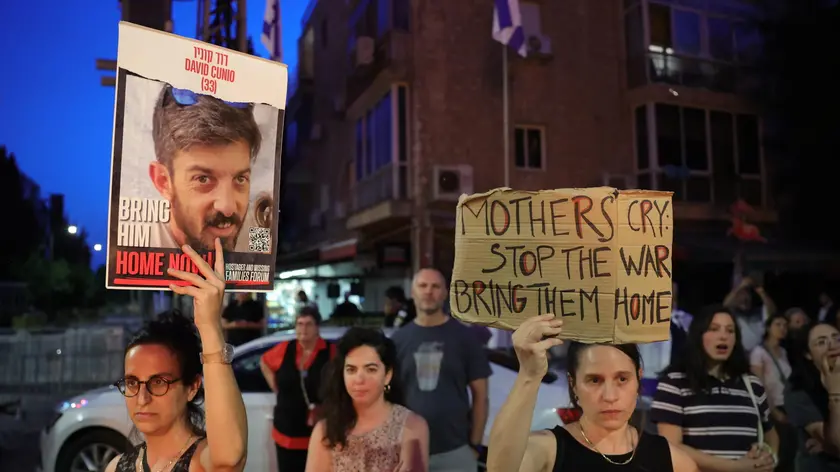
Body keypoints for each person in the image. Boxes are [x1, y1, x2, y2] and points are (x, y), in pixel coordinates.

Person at [487, 314, 697, 471]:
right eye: (594, 380)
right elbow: (501, 469)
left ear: (638, 379)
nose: (610, 396)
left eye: (622, 379)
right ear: (574, 385)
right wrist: (529, 375)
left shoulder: (673, 460)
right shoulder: (548, 450)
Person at [106, 239, 247, 472]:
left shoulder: (202, 462)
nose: (142, 399)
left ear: (192, 387)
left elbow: (229, 459)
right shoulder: (117, 466)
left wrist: (209, 325)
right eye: (132, 383)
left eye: (158, 382)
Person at [651, 304, 779, 471]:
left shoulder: (751, 384)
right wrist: (734, 467)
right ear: (698, 335)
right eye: (714, 329)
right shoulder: (675, 383)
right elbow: (671, 446)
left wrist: (768, 456)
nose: (723, 336)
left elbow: (770, 433)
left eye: (730, 331)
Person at [391, 268, 491, 471]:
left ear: (445, 293)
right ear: (412, 292)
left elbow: (481, 396)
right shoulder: (398, 340)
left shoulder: (465, 338)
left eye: (435, 286)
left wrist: (474, 445)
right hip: (407, 450)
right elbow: (388, 396)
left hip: (455, 451)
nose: (429, 291)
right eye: (423, 286)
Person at [149, 83, 262, 251]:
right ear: (163, 182)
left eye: (240, 179)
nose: (228, 207)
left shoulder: (258, 233)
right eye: (203, 179)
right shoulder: (138, 249)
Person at [305, 327, 429, 471]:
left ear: (387, 375)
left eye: (370, 369)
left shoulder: (411, 426)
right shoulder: (326, 431)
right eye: (351, 370)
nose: (359, 379)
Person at [260, 306, 335, 472]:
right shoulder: (285, 348)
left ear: (317, 327)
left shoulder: (330, 351)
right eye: (300, 324)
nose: (303, 329)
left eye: (309, 324)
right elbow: (264, 361)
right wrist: (275, 386)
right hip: (287, 433)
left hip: (319, 432)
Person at [783, 322, 840, 472]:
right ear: (808, 354)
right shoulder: (798, 389)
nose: (833, 345)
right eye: (821, 342)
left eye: (837, 339)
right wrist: (835, 392)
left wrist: (827, 445)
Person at [750, 313, 795, 472]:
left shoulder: (783, 351)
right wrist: (773, 410)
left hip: (788, 404)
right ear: (768, 327)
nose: (782, 328)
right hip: (771, 406)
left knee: (791, 452)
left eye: (785, 325)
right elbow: (759, 385)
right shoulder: (759, 352)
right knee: (779, 452)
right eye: (778, 324)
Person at [723, 276, 777, 352]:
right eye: (741, 295)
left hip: (759, 353)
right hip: (739, 352)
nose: (744, 299)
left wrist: (760, 291)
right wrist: (740, 286)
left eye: (746, 295)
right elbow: (725, 305)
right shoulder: (733, 313)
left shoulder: (759, 312)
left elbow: (772, 312)